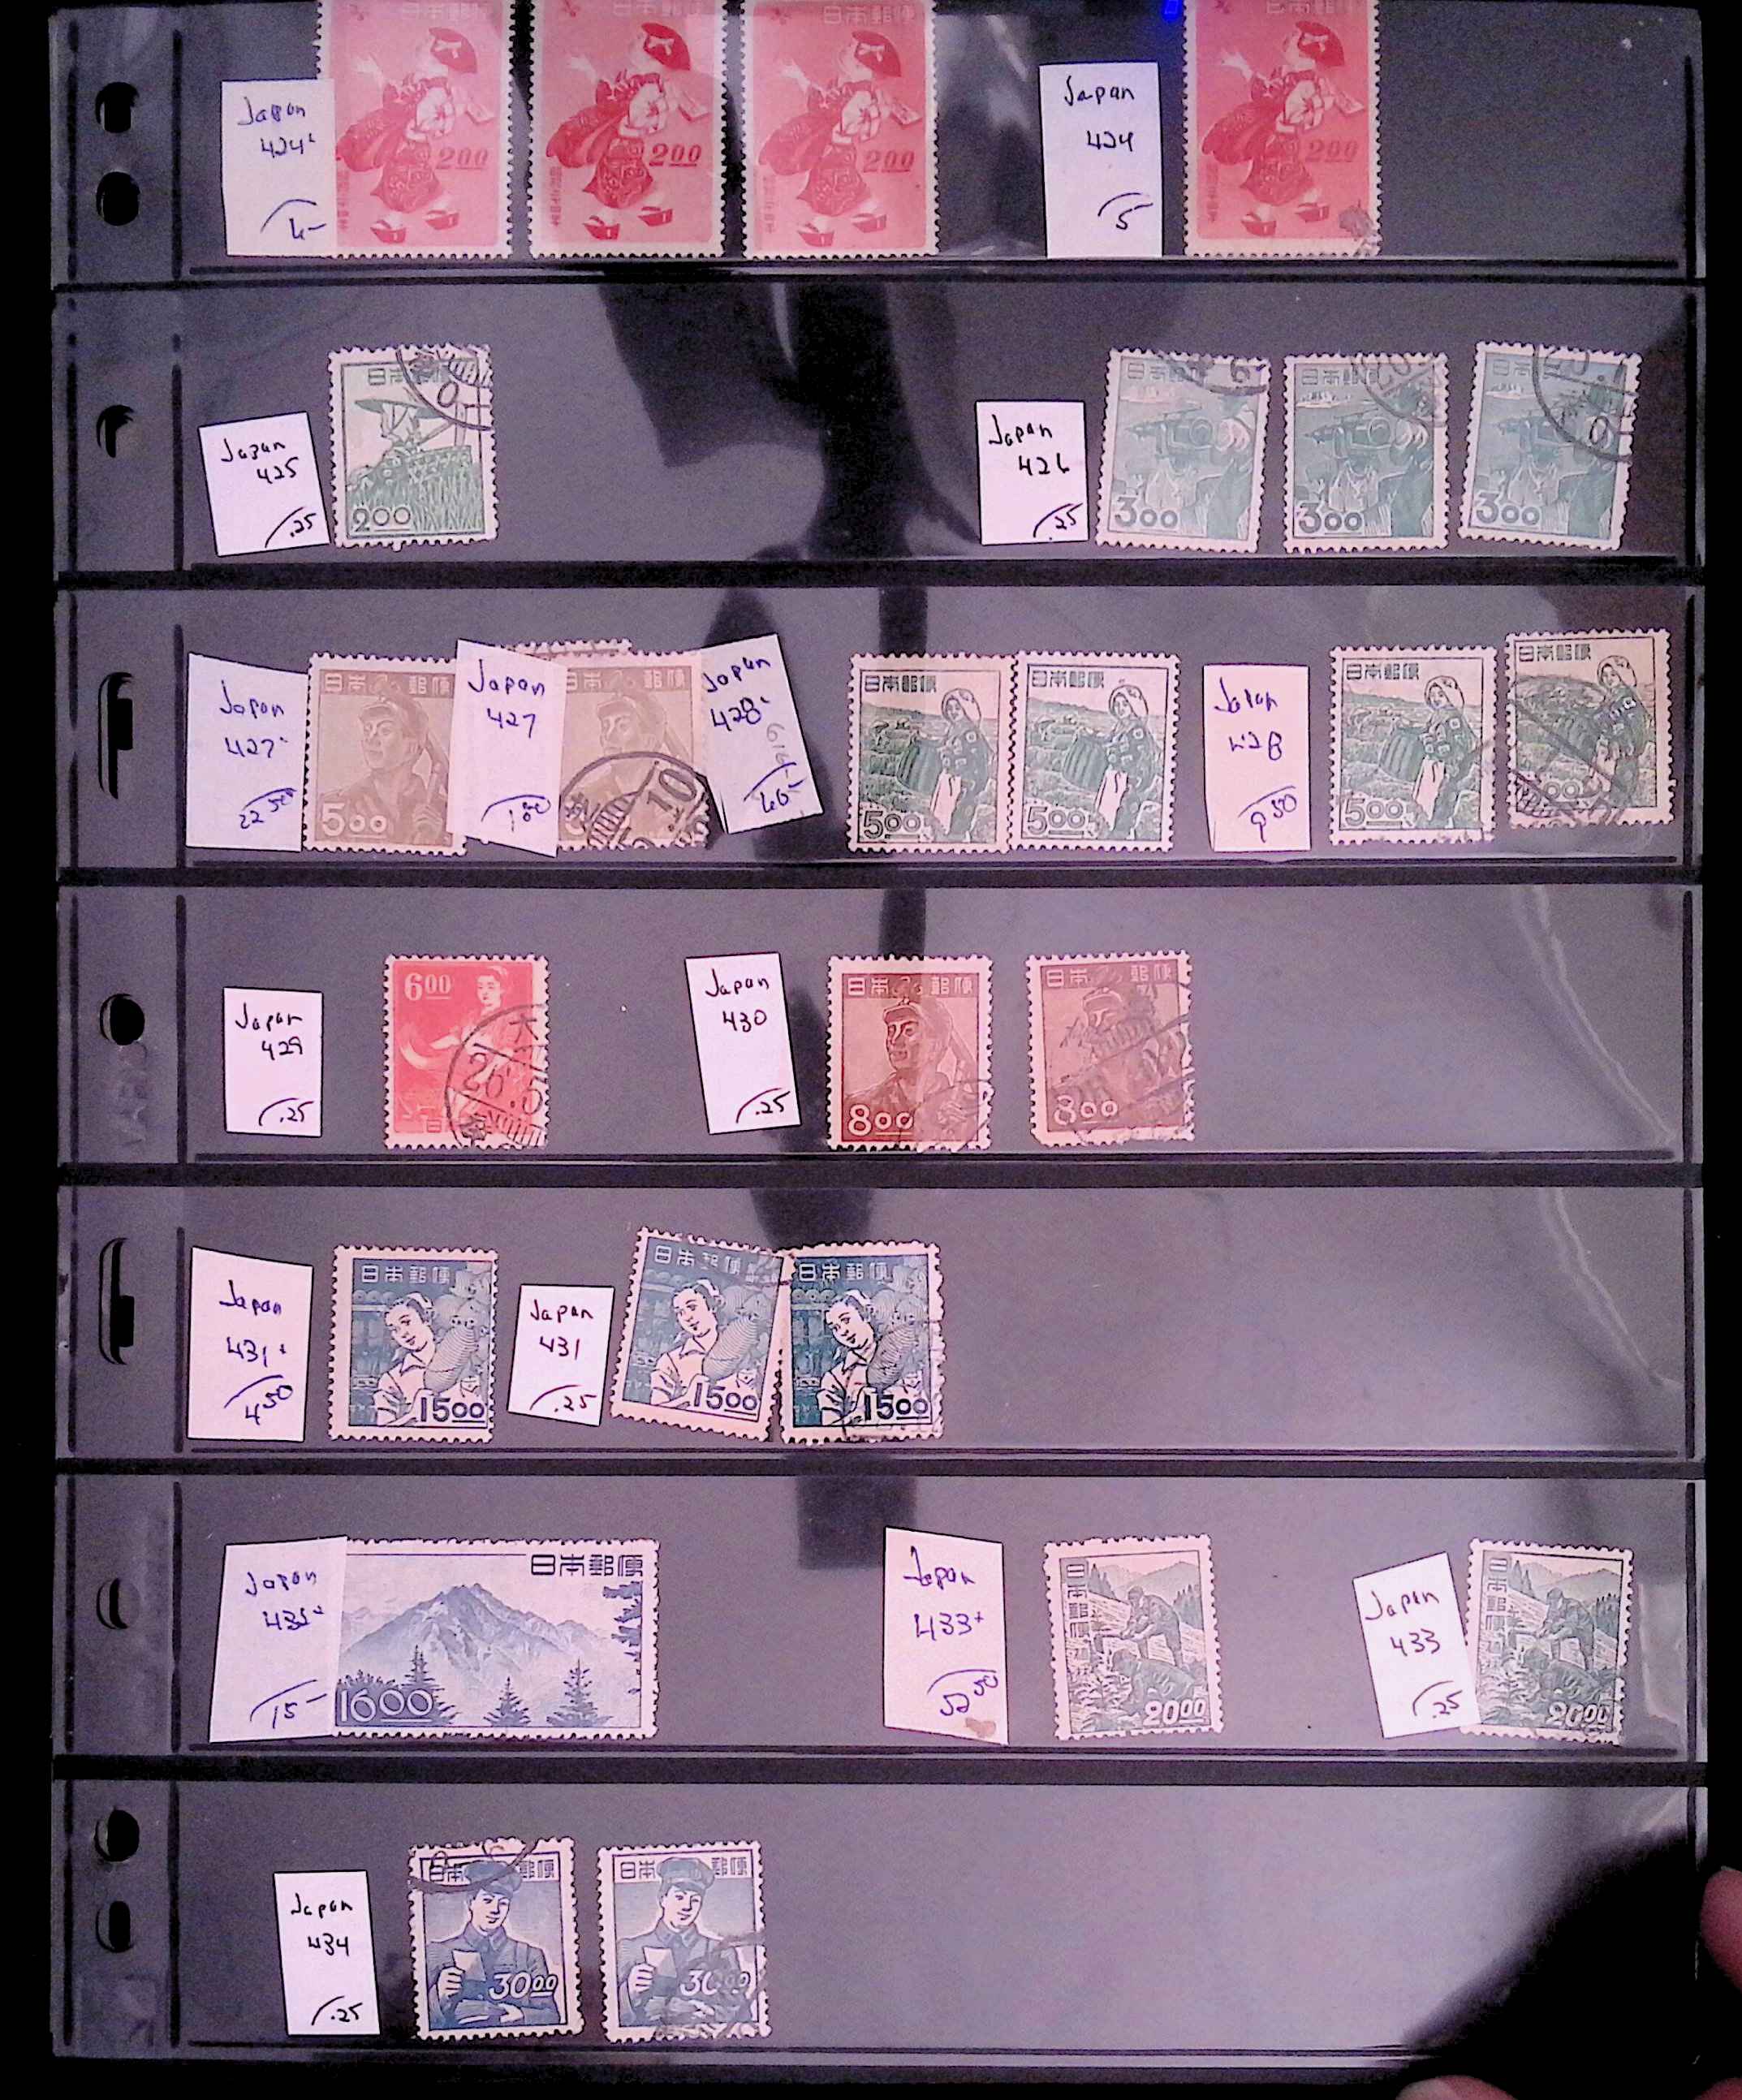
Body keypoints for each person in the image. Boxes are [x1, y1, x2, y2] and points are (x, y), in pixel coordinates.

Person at [1201, 19, 1365, 239]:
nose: (1285, 43)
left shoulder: (1303, 83)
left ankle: (1264, 216)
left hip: (1279, 137)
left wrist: (1244, 69)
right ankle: (1311, 201)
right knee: (1288, 170)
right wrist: (1245, 69)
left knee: (1271, 174)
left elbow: (1268, 98)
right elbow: (1269, 95)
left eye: (1292, 40)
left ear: (1305, 53)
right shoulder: (1294, 77)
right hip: (1280, 135)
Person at [757, 28, 921, 248]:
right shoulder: (848, 89)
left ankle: (821, 227)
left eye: (849, 50)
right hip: (836, 147)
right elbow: (822, 103)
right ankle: (871, 212)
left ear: (861, 66)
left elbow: (830, 111)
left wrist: (836, 129)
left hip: (836, 148)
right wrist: (799, 77)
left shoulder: (859, 95)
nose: (843, 52)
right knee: (846, 183)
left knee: (828, 186)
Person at [546, 23, 707, 242]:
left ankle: (609, 218)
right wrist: (589, 70)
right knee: (622, 176)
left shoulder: (654, 84)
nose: (632, 43)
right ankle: (651, 206)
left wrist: (638, 120)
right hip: (620, 135)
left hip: (632, 138)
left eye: (639, 40)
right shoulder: (630, 77)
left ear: (654, 54)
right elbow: (609, 98)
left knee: (619, 176)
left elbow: (653, 110)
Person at [336, 28, 494, 246]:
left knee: (401, 182)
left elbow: (422, 117)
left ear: (438, 62)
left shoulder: (436, 91)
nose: (417, 52)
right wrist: (376, 73)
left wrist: (415, 119)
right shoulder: (419, 82)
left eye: (423, 50)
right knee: (413, 180)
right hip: (406, 143)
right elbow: (397, 97)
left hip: (412, 146)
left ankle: (394, 222)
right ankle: (442, 206)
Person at [617, 1856, 756, 2032]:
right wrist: (629, 1992)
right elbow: (606, 2018)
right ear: (663, 1899)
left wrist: (714, 2014)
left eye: (695, 1900)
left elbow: (742, 2014)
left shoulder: (720, 1951)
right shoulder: (630, 1948)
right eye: (679, 1897)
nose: (687, 1907)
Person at [425, 1856, 561, 2030]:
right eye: (487, 1900)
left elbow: (551, 2016)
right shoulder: (437, 1952)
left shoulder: (529, 1955)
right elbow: (414, 2024)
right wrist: (438, 1996)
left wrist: (522, 2016)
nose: (495, 1910)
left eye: (503, 1903)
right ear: (471, 1902)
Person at [845, 990, 981, 1146]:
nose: (894, 1040)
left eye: (908, 1031)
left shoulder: (967, 1112)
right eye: (891, 1030)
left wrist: (961, 1136)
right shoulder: (860, 1105)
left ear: (936, 1046)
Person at [327, 691, 451, 848]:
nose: (371, 738)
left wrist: (437, 839)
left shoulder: (442, 812)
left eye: (385, 731)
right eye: (368, 729)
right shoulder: (337, 803)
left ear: (410, 749)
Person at [649, 1274, 761, 1412]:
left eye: (692, 1307)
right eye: (680, 1312)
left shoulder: (745, 1347)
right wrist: (688, 1399)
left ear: (712, 1305)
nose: (687, 1317)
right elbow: (654, 1412)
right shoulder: (670, 1361)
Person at [815, 1290, 925, 1428]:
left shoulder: (904, 1356)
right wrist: (859, 1415)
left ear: (865, 1314)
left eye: (846, 1320)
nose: (842, 1331)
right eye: (835, 1328)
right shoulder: (834, 1379)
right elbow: (830, 1433)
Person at [1413, 675, 1481, 830]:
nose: (1436, 699)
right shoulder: (1437, 715)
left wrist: (1451, 762)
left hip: (1447, 766)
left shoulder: (1453, 717)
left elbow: (1459, 744)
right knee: (1428, 798)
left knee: (1441, 800)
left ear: (1451, 696)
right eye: (1432, 695)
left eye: (1441, 695)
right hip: (1434, 764)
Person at [1097, 683, 1161, 839]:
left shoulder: (1138, 730)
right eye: (1117, 705)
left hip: (1130, 784)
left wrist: (1114, 757)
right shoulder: (1120, 727)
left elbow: (1138, 759)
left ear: (1133, 706)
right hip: (1116, 780)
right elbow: (1109, 743)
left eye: (1125, 704)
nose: (1120, 708)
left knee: (1123, 823)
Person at [928, 688, 992, 842]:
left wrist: (966, 776)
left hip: (964, 786)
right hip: (949, 782)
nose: (953, 712)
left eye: (957, 708)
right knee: (942, 823)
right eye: (949, 709)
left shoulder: (971, 733)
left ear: (965, 709)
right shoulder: (952, 730)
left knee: (957, 826)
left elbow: (979, 760)